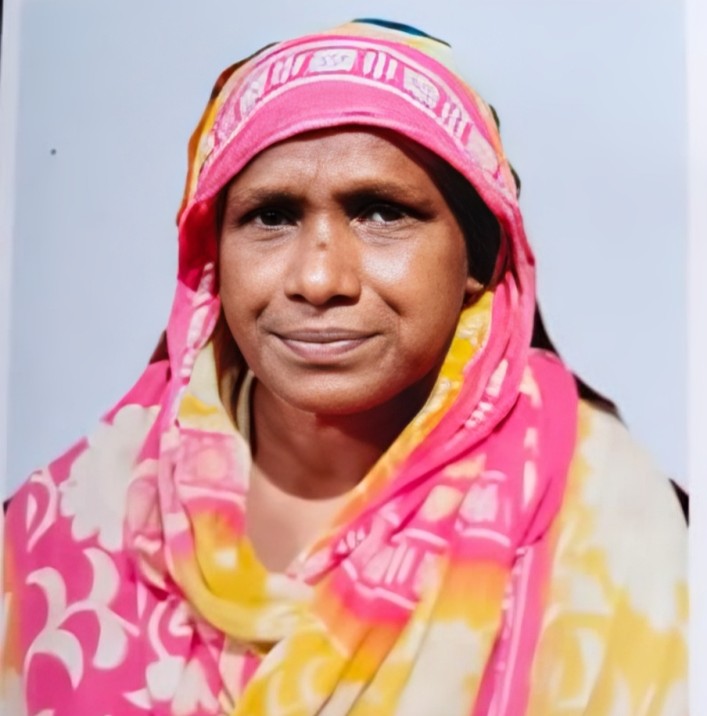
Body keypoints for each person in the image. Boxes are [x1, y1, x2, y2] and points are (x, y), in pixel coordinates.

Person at [1, 18, 687, 715]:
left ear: (479, 258)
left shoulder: (610, 524)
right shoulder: (60, 530)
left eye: (382, 213)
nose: (319, 279)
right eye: (271, 217)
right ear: (212, 257)